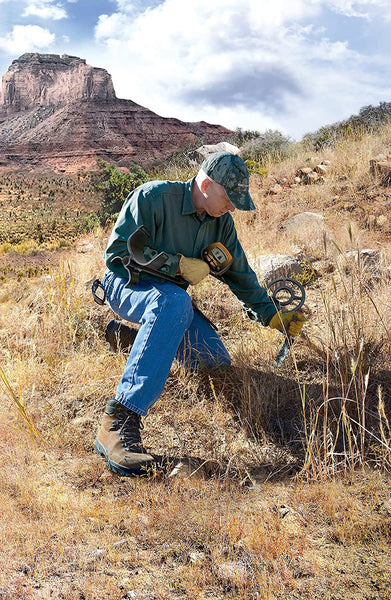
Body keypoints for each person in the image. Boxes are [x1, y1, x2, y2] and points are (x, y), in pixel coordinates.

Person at [94, 151, 305, 476]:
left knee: (215, 364)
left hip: (168, 300)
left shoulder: (222, 226)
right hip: (125, 285)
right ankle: (120, 419)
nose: (233, 207)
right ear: (207, 183)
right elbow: (117, 255)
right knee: (174, 303)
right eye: (229, 198)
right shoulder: (152, 197)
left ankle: (142, 341)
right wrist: (175, 264)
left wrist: (273, 316)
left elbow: (242, 277)